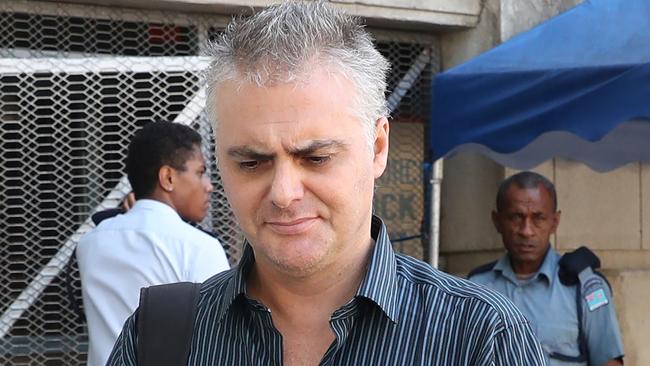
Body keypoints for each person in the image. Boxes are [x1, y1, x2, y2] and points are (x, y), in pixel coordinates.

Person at [107, 2, 545, 365]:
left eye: (315, 158)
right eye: (251, 162)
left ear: (377, 147)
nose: (283, 193)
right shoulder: (159, 338)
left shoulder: (481, 339)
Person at [76, 121, 230, 366]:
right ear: (167, 177)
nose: (209, 186)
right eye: (200, 173)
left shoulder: (90, 244)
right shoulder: (199, 247)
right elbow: (223, 342)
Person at [469, 171, 624, 366]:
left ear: (554, 222)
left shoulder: (586, 287)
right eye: (516, 217)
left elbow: (609, 361)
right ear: (497, 221)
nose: (527, 231)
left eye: (538, 218)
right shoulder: (476, 288)